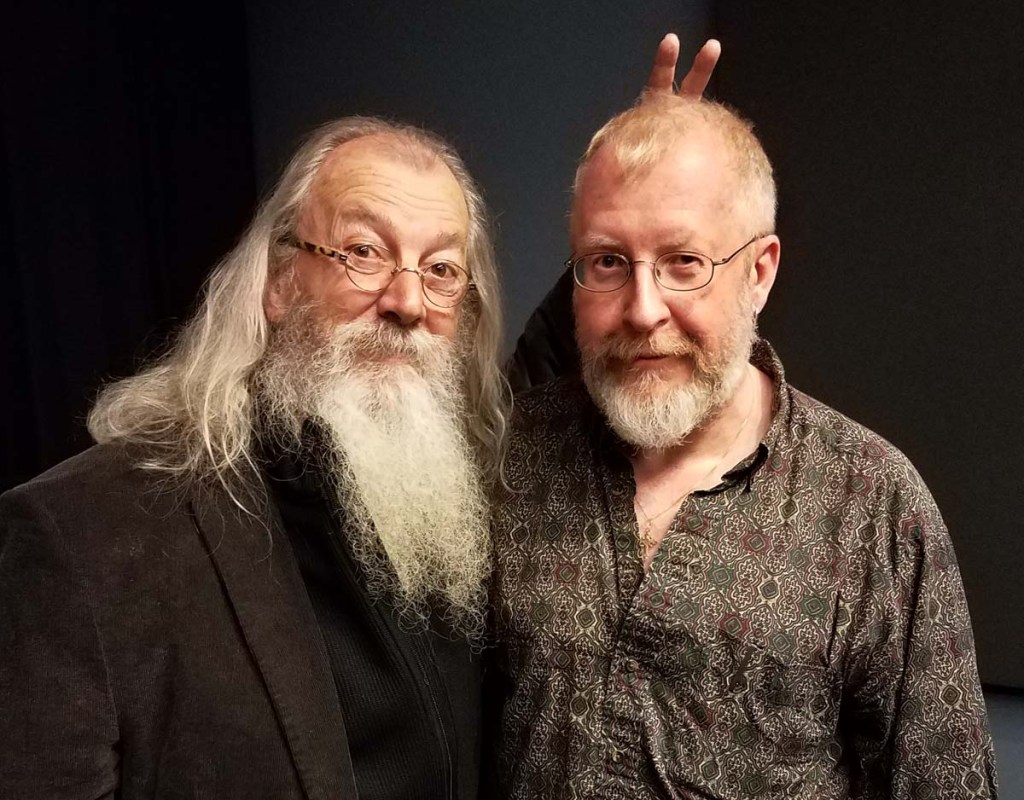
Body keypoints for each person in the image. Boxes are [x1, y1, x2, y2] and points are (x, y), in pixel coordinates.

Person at [0, 35, 718, 800]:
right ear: (279, 281)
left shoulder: (453, 481)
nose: (406, 302)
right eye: (364, 252)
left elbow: (545, 369)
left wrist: (637, 210)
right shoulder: (84, 533)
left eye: (441, 269)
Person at [491, 89, 998, 797]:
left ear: (759, 272)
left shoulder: (872, 503)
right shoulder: (510, 457)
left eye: (684, 261)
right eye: (607, 262)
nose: (642, 310)